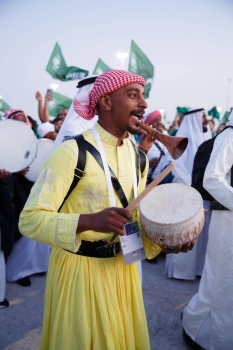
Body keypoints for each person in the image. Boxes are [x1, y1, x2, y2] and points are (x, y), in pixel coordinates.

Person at [19, 70, 193, 349]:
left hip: (124, 273)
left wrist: (163, 244)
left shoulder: (138, 157)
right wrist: (88, 221)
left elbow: (131, 222)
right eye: (133, 95)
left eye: (144, 95)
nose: (144, 104)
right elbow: (29, 220)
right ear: (107, 102)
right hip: (79, 273)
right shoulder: (71, 152)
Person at [182, 110, 233, 350]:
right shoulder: (229, 136)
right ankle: (202, 333)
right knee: (221, 279)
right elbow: (212, 179)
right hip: (228, 220)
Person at [3, 109, 51, 287]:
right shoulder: (6, 141)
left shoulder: (34, 141)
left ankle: (37, 264)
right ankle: (18, 269)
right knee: (23, 228)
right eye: (15, 120)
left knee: (40, 225)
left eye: (23, 120)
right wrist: (16, 170)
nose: (20, 123)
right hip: (16, 189)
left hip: (36, 186)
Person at [165, 108, 211, 280]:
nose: (206, 120)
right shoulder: (183, 139)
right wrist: (190, 187)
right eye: (203, 117)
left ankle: (197, 269)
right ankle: (179, 271)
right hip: (184, 192)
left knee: (199, 234)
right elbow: (176, 167)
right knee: (182, 231)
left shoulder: (207, 137)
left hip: (201, 193)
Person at [141, 110, 171, 185]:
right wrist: (149, 165)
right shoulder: (142, 145)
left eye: (160, 119)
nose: (159, 123)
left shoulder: (165, 141)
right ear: (149, 126)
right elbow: (134, 170)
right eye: (155, 121)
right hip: (150, 185)